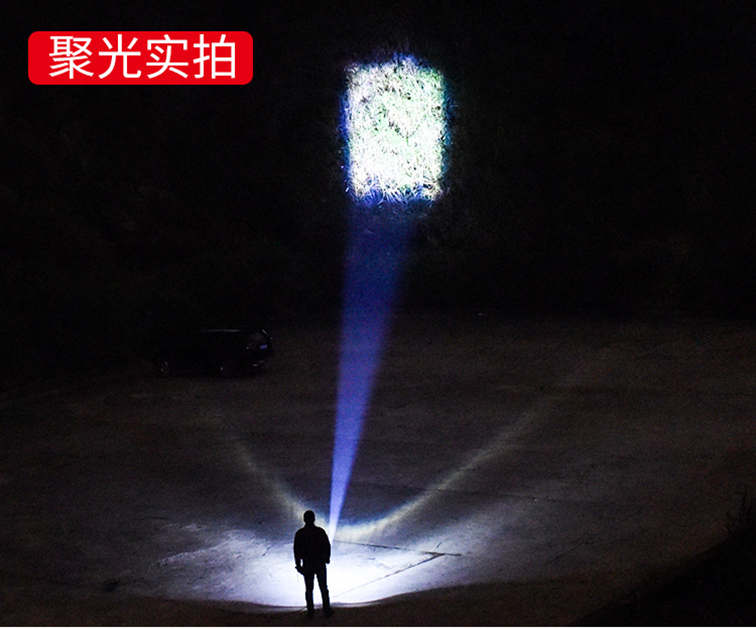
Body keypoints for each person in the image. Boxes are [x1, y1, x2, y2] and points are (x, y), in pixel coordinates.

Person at [294, 510, 334, 619]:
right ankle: (326, 610)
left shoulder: (300, 533)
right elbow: (327, 545)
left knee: (309, 589)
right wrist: (327, 558)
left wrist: (298, 565)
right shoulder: (319, 531)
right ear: (314, 519)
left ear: (304, 519)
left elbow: (296, 550)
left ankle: (311, 612)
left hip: (308, 564)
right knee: (323, 588)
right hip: (319, 563)